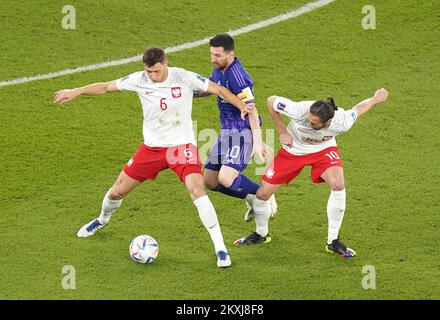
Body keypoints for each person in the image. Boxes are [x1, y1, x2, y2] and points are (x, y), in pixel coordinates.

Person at [53, 47, 255, 268]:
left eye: (156, 71)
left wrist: (241, 105)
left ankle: (221, 250)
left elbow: (217, 89)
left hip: (181, 147)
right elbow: (105, 87)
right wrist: (77, 90)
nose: (152, 76)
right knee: (117, 190)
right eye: (149, 71)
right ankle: (102, 220)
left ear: (165, 63)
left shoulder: (183, 77)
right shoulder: (139, 79)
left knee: (197, 190)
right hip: (151, 149)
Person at [234, 88, 389, 258]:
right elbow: (271, 100)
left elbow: (358, 109)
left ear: (328, 123)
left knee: (338, 185)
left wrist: (375, 99)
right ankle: (261, 235)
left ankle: (333, 241)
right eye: (308, 120)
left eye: (314, 124)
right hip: (293, 151)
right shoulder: (299, 110)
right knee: (263, 194)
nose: (309, 123)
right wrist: (282, 130)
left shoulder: (341, 121)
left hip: (323, 151)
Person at [194, 33, 277, 223]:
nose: (213, 59)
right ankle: (252, 200)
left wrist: (257, 142)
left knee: (226, 177)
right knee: (210, 181)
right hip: (227, 133)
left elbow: (252, 110)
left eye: (217, 55)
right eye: (211, 54)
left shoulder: (239, 78)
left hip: (243, 132)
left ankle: (264, 195)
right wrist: (183, 93)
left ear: (231, 54)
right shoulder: (219, 69)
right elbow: (210, 89)